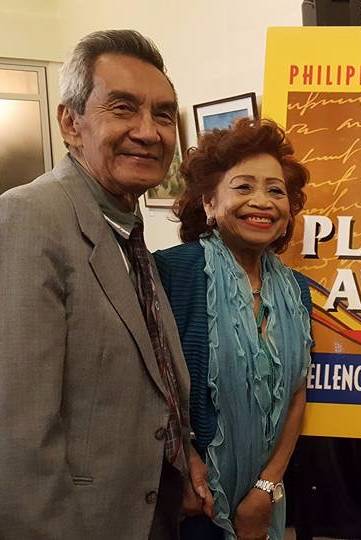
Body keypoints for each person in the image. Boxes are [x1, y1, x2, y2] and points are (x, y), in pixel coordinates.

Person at [0, 29, 212, 538]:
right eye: (122, 108)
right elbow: (17, 438)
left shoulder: (126, 224)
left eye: (163, 115)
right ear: (70, 123)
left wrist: (181, 457)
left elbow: (146, 370)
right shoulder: (28, 219)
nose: (149, 131)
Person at [153, 118, 313, 540]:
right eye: (243, 187)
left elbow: (298, 391)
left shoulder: (296, 290)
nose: (262, 201)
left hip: (265, 497)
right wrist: (184, 461)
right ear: (209, 202)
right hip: (192, 496)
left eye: (275, 191)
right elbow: (148, 386)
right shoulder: (173, 272)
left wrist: (266, 487)